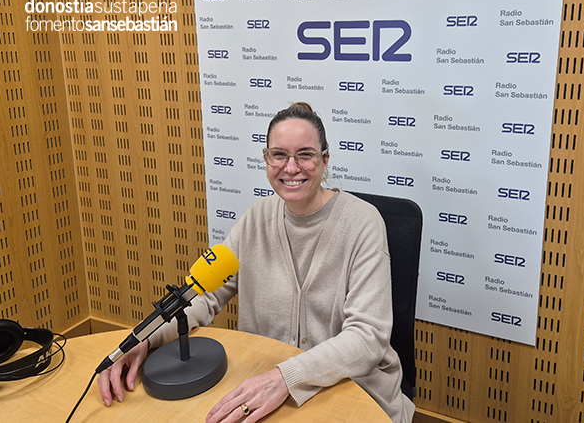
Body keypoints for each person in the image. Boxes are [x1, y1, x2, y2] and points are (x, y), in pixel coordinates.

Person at [97, 102, 415, 423]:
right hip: (268, 388)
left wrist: (285, 377)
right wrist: (146, 338)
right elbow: (203, 295)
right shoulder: (255, 220)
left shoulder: (363, 222)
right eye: (279, 155)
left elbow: (367, 337)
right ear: (266, 159)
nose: (291, 168)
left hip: (349, 388)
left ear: (325, 160)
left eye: (305, 154)